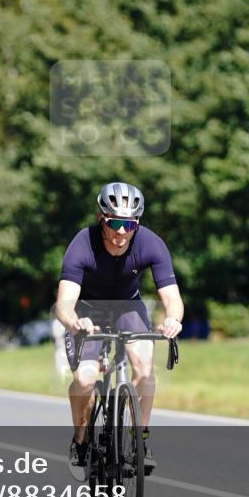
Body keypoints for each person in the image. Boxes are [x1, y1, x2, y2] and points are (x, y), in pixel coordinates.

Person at [55, 182, 183, 479]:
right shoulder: (82, 243)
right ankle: (81, 440)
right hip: (87, 311)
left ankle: (142, 440)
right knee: (85, 380)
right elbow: (64, 303)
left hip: (128, 308)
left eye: (130, 224)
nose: (122, 232)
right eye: (115, 223)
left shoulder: (151, 243)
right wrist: (76, 322)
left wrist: (173, 319)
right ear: (102, 219)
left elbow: (172, 298)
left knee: (144, 368)